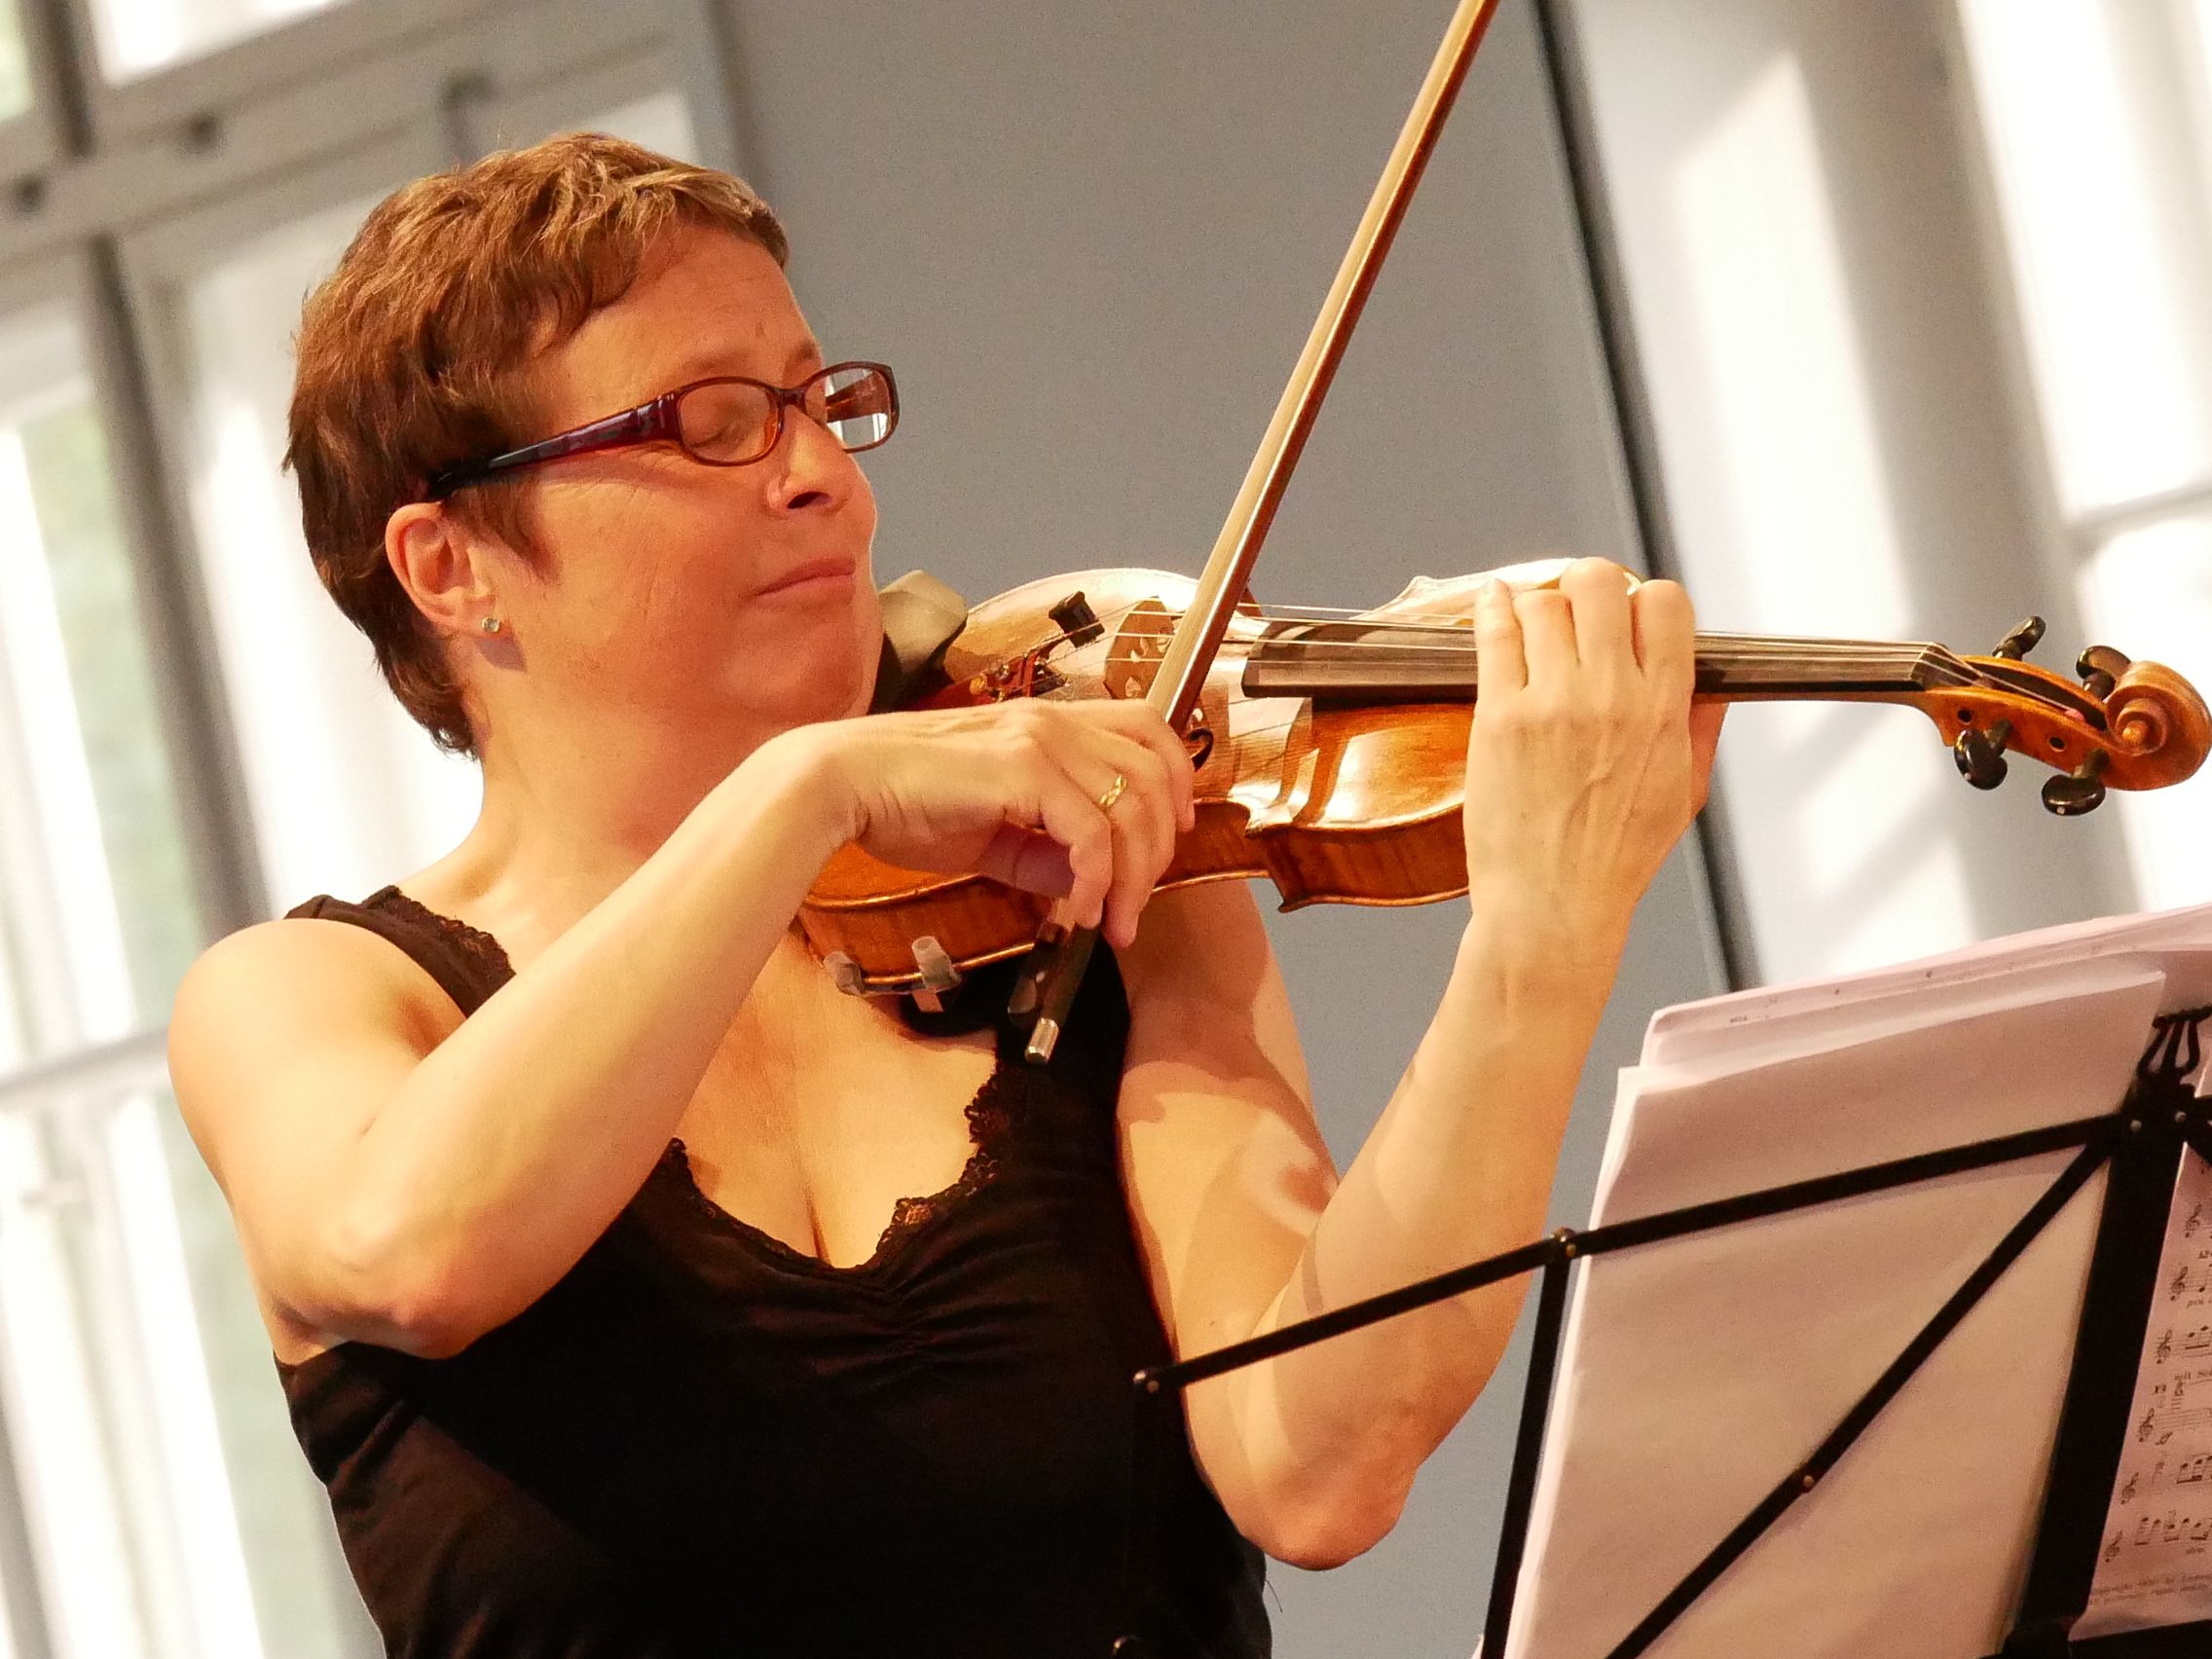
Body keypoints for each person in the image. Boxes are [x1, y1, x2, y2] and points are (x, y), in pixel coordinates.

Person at [166, 132, 1723, 1658]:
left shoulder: (1098, 883)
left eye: (818, 403)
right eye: (716, 424)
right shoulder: (305, 1001)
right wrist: (805, 793)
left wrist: (1543, 936)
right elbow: (414, 1254)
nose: (824, 480)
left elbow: (1317, 1462)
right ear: (451, 566)